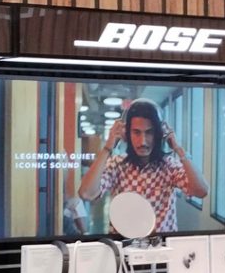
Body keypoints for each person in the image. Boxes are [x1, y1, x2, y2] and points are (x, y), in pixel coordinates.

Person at [77, 98, 208, 233]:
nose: (143, 142)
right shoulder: (117, 165)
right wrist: (107, 148)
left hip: (161, 244)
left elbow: (201, 191)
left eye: (149, 132)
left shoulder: (169, 165)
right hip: (123, 244)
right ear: (126, 134)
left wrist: (178, 149)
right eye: (136, 132)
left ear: (159, 134)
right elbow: (86, 193)